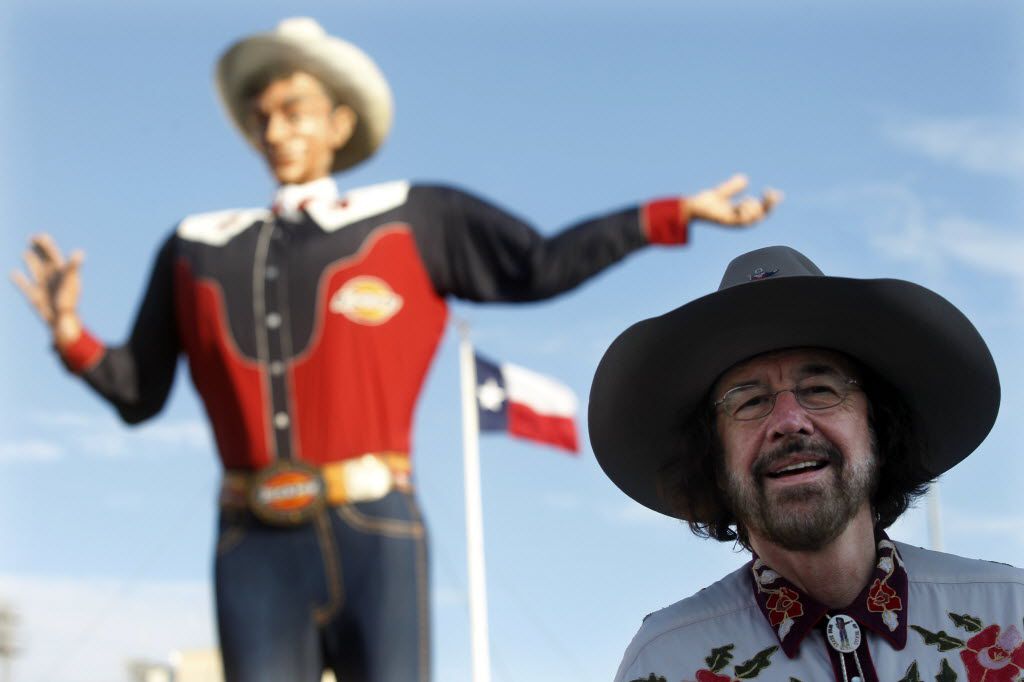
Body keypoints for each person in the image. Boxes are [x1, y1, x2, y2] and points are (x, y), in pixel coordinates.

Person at [10, 17, 781, 682]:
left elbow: (538, 264)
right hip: (251, 541)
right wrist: (70, 334)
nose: (277, 130)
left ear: (340, 123)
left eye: (295, 111)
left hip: (374, 525)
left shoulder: (414, 219)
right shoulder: (194, 247)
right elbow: (140, 394)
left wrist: (669, 214)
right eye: (262, 116)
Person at [589, 245, 1024, 682]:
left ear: (877, 428)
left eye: (819, 390)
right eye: (750, 401)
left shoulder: (1011, 612)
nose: (789, 422)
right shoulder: (667, 662)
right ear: (715, 461)